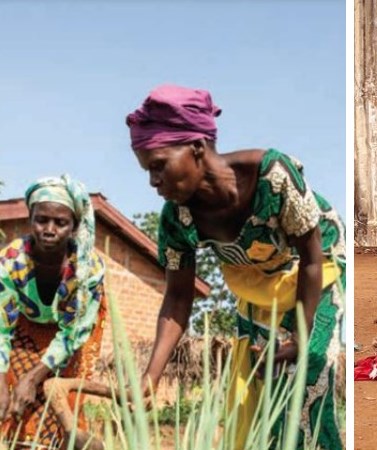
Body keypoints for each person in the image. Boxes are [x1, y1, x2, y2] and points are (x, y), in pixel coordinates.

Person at [125, 84, 345, 449]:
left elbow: (311, 258)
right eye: (147, 171)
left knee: (307, 379)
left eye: (158, 166)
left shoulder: (272, 175)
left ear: (196, 148)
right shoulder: (177, 217)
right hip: (255, 282)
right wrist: (151, 375)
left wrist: (301, 338)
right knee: (261, 384)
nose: (153, 181)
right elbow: (178, 297)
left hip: (316, 270)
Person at [0, 175, 107, 448]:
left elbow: (73, 333)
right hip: (22, 325)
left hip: (70, 336)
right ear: (30, 219)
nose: (49, 229)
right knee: (10, 393)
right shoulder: (11, 261)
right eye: (41, 219)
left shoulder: (88, 270)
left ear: (73, 227)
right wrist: (1, 377)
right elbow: (1, 325)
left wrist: (34, 377)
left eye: (60, 223)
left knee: (55, 397)